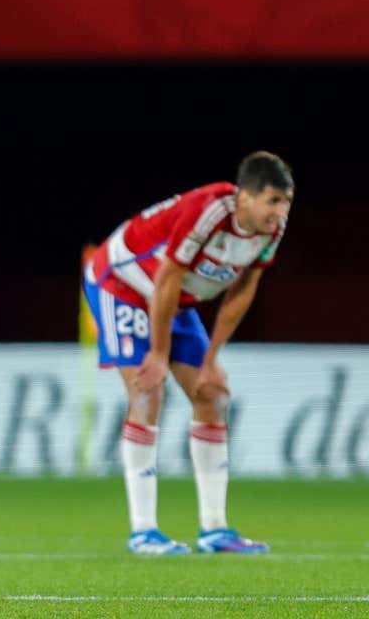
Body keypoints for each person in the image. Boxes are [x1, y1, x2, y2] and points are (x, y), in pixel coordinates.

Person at [83, 151, 292, 555]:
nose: (280, 212)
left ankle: (215, 529)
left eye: (285, 202)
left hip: (172, 299)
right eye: (272, 201)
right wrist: (158, 354)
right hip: (123, 284)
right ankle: (143, 531)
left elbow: (244, 287)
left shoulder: (271, 229)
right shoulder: (208, 211)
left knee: (212, 395)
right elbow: (167, 276)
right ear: (245, 197)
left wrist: (212, 358)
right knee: (147, 392)